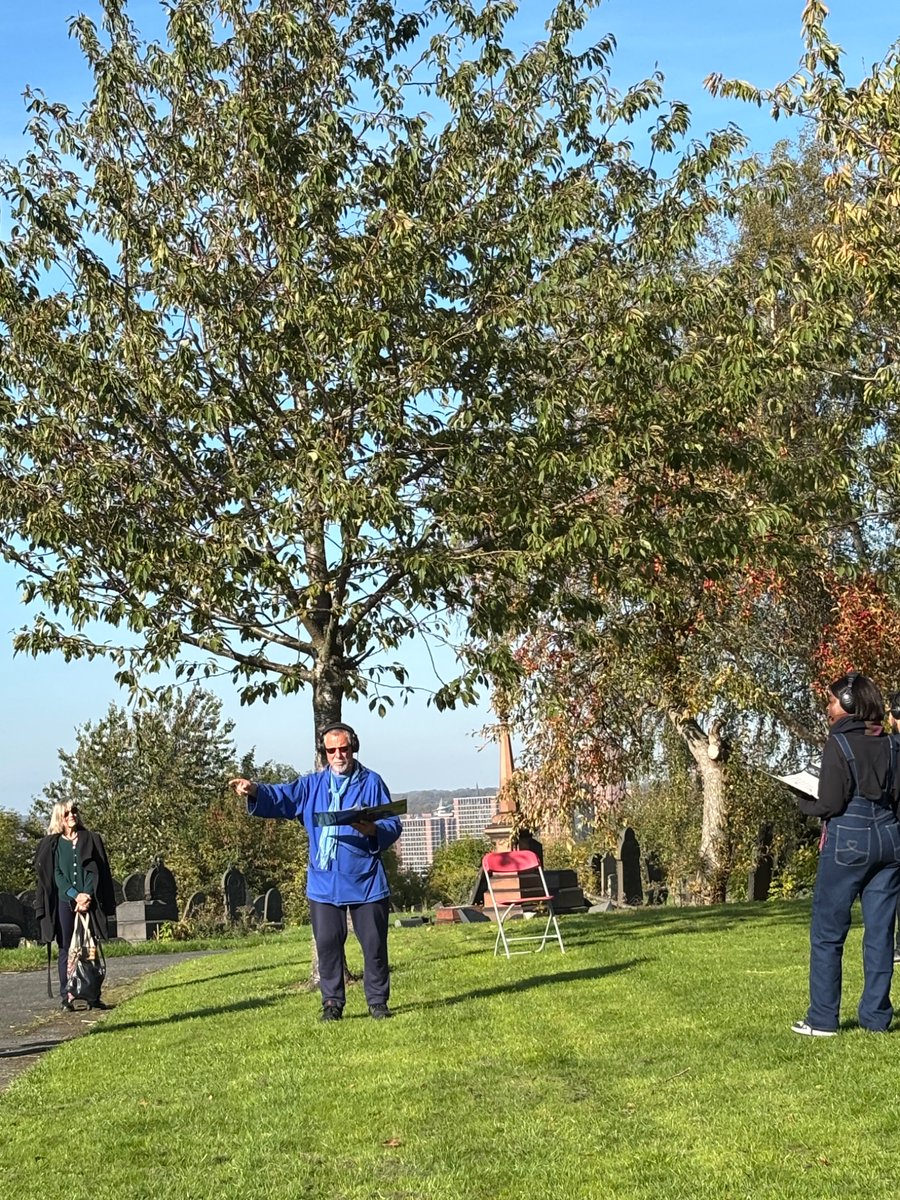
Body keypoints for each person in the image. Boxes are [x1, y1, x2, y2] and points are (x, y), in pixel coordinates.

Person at [229, 722, 402, 1023]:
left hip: (365, 879)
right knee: (327, 943)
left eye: (344, 749)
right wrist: (254, 789)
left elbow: (392, 824)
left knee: (374, 943)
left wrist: (372, 828)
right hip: (323, 880)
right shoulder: (312, 785)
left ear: (354, 748)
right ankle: (332, 1003)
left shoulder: (372, 782)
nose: (338, 755)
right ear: (324, 753)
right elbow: (283, 797)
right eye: (332, 750)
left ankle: (377, 1002)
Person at [792, 673, 900, 1036]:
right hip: (889, 840)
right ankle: (876, 1018)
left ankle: (823, 1019)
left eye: (833, 700)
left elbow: (831, 802)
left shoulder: (838, 743)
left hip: (848, 842)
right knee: (880, 932)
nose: (828, 706)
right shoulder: (891, 743)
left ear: (851, 704)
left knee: (828, 932)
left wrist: (804, 802)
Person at [34, 802, 117, 1011]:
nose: (72, 815)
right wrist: (74, 896)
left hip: (88, 900)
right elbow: (56, 875)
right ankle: (67, 996)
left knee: (89, 947)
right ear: (59, 818)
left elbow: (94, 869)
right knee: (65, 948)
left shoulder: (89, 839)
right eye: (67, 813)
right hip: (64, 902)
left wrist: (86, 895)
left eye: (74, 811)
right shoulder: (53, 844)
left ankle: (92, 995)